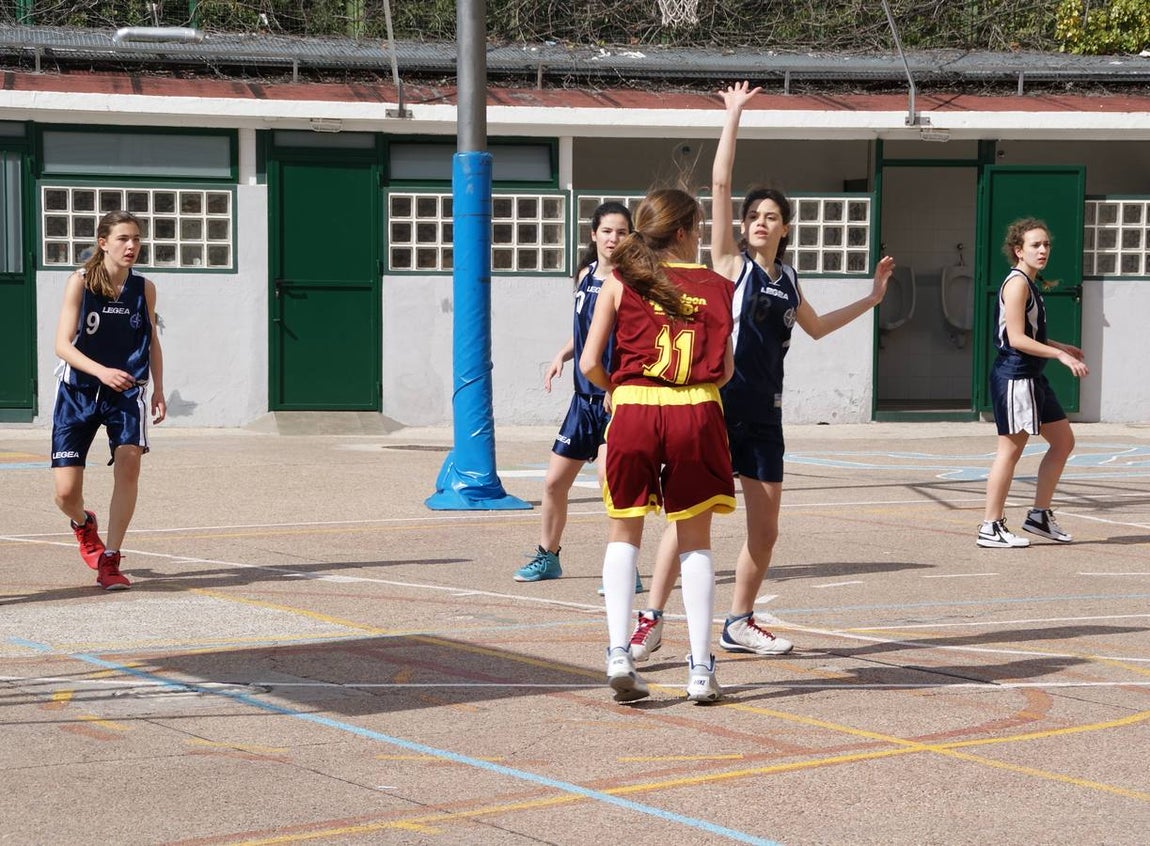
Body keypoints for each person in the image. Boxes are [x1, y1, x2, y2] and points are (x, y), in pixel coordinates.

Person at [628, 81, 894, 661]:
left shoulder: (788, 279)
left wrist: (873, 298)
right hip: (717, 410)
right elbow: (720, 184)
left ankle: (739, 621)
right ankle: (651, 617)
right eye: (755, 216)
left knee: (765, 531)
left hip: (766, 418)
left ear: (785, 227)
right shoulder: (729, 267)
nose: (761, 222)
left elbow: (818, 328)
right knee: (687, 521)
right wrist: (733, 117)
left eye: (772, 217)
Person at [579, 187, 736, 704]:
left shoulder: (619, 281)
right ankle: (699, 668)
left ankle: (619, 652)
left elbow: (587, 364)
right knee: (695, 540)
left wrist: (617, 390)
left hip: (636, 408)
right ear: (689, 231)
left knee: (623, 533)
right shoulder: (717, 285)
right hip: (696, 410)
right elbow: (729, 368)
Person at [512, 202, 643, 594]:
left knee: (611, 483)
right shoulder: (585, 275)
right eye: (607, 231)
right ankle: (548, 557)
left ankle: (625, 568)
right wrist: (562, 354)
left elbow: (633, 342)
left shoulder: (631, 283)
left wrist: (616, 387)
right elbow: (589, 330)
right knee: (553, 483)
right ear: (594, 234)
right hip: (582, 401)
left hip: (613, 399)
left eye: (621, 232)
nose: (613, 239)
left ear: (631, 237)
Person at [51, 210, 166, 590]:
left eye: (136, 238)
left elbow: (152, 342)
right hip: (78, 391)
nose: (132, 245)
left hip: (126, 392)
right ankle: (84, 524)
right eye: (123, 238)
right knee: (66, 494)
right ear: (103, 243)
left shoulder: (144, 288)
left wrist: (159, 389)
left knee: (130, 461)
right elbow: (61, 346)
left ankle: (111, 558)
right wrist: (100, 371)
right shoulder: (80, 283)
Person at [978, 218, 1088, 548]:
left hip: (1033, 377)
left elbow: (1031, 334)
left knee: (1063, 441)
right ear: (1018, 250)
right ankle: (990, 526)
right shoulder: (1017, 284)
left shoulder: (1031, 282)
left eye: (1046, 245)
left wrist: (1059, 346)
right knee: (1009, 452)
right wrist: (1061, 358)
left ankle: (1039, 515)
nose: (1042, 250)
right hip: (1014, 376)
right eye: (1035, 245)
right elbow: (1016, 339)